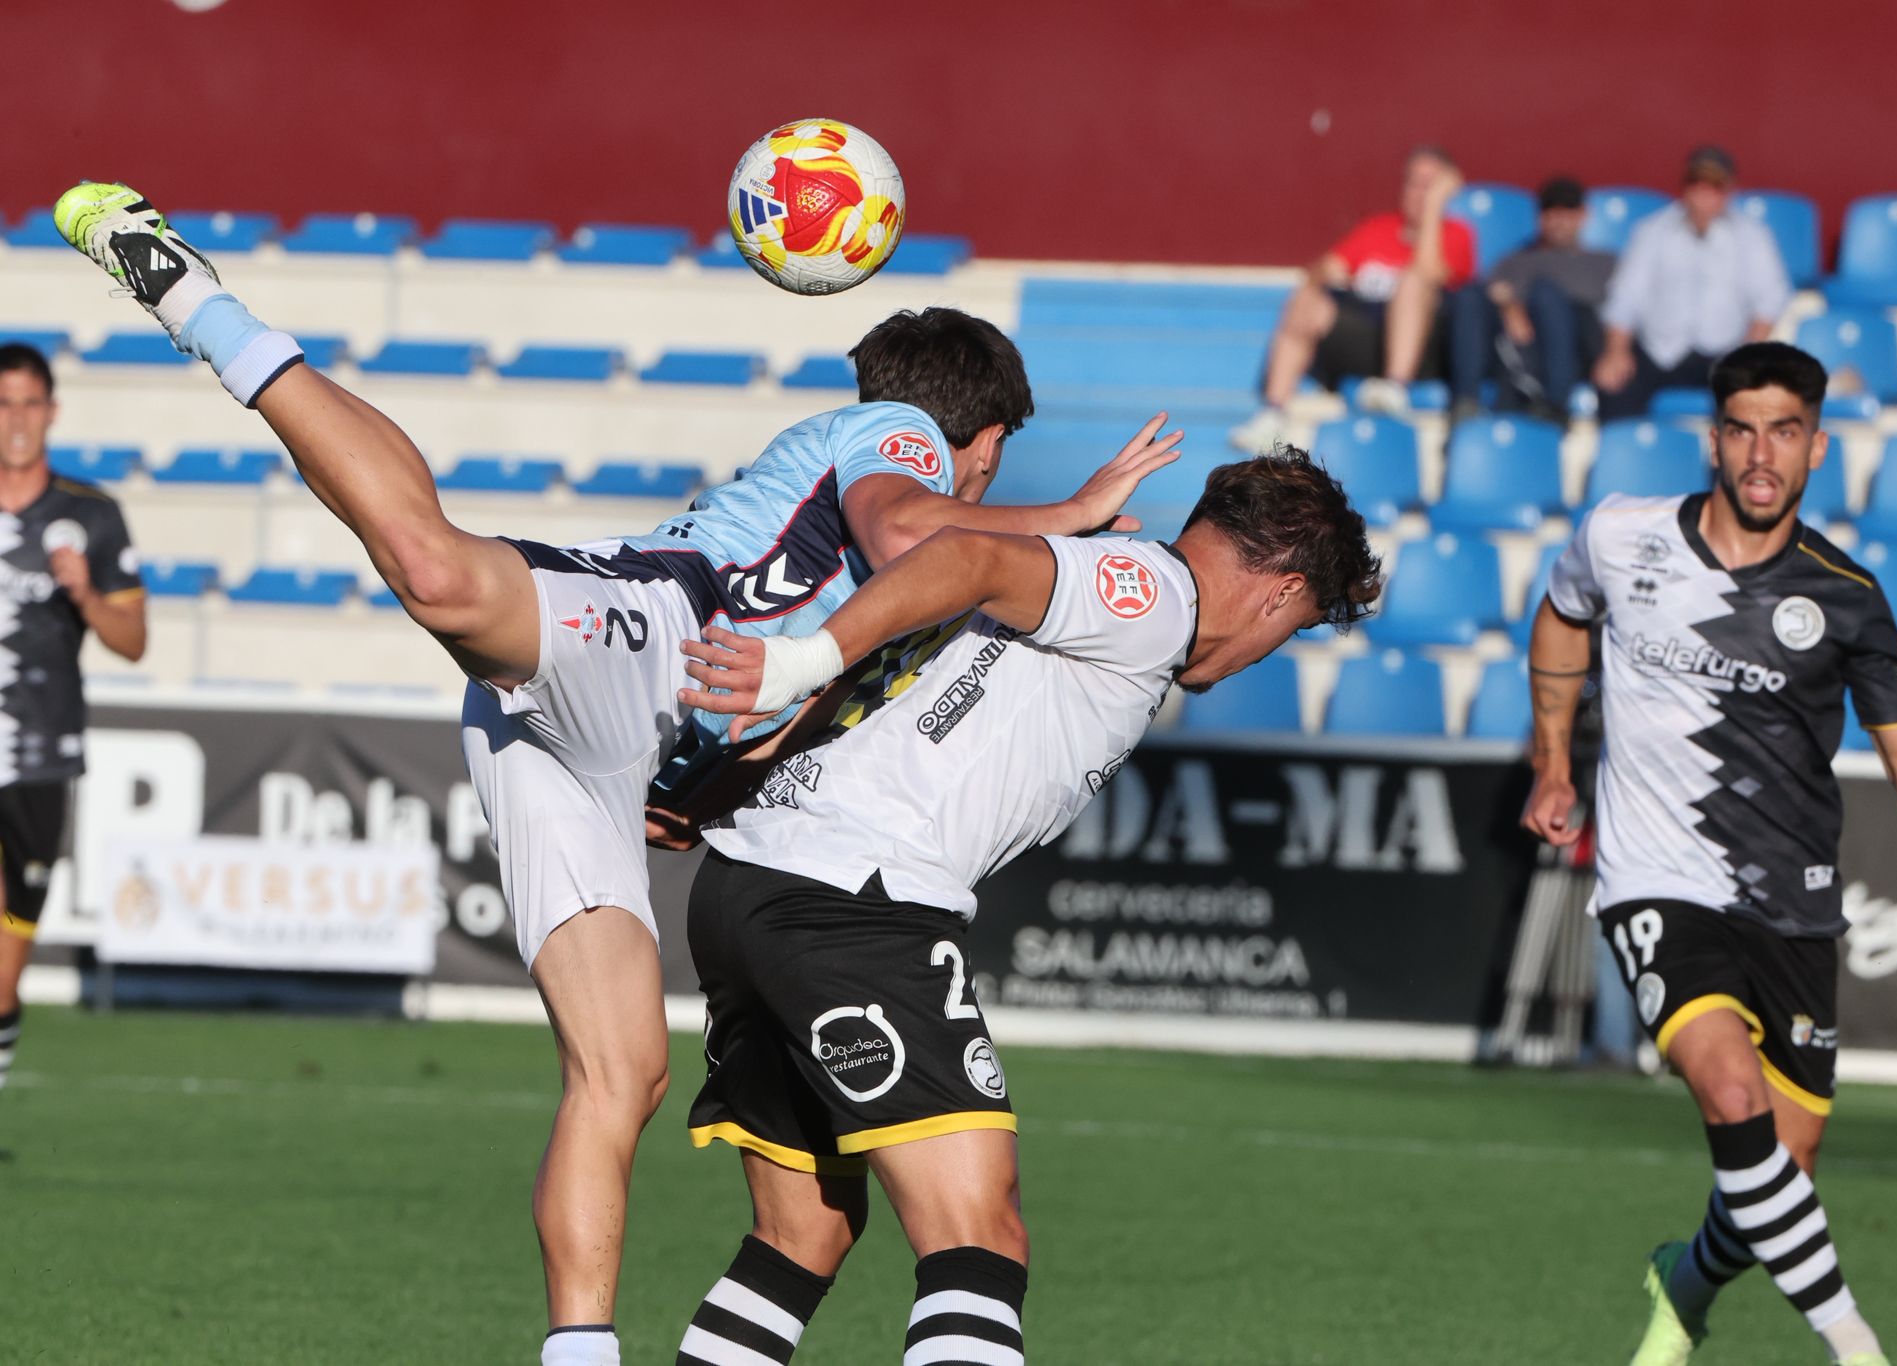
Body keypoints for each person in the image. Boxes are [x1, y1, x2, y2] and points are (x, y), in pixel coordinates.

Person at [52, 181, 1182, 1366]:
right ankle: (187, 290)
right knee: (435, 572)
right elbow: (910, 536)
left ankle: (578, 1353)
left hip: (609, 752)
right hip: (640, 625)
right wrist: (1077, 516)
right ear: (983, 438)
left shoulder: (911, 595)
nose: (992, 486)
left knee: (623, 1069)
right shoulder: (893, 434)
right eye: (999, 463)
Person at [662, 449, 1380, 1366]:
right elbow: (964, 556)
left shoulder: (1105, 582)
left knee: (803, 1236)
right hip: (854, 903)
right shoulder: (1157, 596)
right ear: (1280, 594)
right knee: (979, 1237)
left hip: (752, 884)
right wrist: (795, 662)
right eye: (1296, 627)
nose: (1264, 657)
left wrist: (725, 781)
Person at [1522, 342, 1897, 1366]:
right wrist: (1552, 762)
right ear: (1712, 436)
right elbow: (1561, 620)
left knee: (1782, 1166)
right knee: (1730, 1100)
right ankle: (1855, 1344)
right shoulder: (1619, 536)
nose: (1758, 452)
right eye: (1740, 428)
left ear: (1816, 446)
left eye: (1783, 431)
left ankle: (1680, 1280)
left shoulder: (1844, 596)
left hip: (1789, 895)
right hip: (1654, 876)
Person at [0, 343, 147, 1096]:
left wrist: (84, 596)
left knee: (2, 975)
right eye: (4, 404)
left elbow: (133, 640)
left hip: (40, 757)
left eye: (29, 404)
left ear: (51, 412)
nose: (16, 421)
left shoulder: (90, 514)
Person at [1231, 145, 1477, 450]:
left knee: (1413, 281)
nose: (1418, 193)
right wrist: (1327, 275)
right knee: (1307, 299)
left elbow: (1429, 272)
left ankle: (1395, 387)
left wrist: (1434, 211)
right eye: (1413, 183)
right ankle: (1272, 412)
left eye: (1429, 186)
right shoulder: (1377, 229)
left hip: (1424, 348)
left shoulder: (1456, 234)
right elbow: (1324, 270)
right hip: (1365, 335)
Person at [1593, 147, 1791, 420]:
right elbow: (1625, 298)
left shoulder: (1752, 237)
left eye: (1714, 186)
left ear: (1729, 191)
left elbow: (1770, 300)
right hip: (1659, 352)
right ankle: (1624, 460)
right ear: (1685, 187)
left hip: (1723, 352)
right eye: (1697, 184)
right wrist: (1617, 352)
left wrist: (1745, 359)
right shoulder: (1652, 231)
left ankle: (1724, 464)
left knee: (1746, 400)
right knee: (1613, 386)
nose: (1704, 195)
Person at [1445, 176, 1616, 425]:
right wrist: (1510, 306)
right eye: (1550, 212)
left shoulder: (1605, 263)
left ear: (1583, 215)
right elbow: (1491, 289)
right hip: (1521, 349)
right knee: (1470, 296)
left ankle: (1556, 404)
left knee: (1547, 295)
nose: (1558, 221)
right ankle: (1466, 402)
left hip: (1582, 349)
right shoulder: (1518, 261)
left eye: (1567, 212)